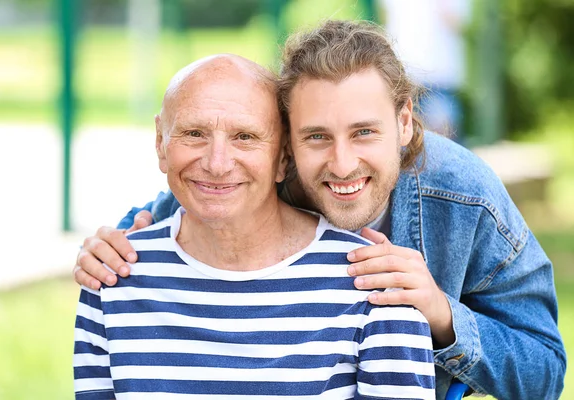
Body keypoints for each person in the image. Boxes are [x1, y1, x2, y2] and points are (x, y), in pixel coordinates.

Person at [74, 20, 566, 399]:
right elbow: (200, 192)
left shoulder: (463, 196)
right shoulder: (260, 177)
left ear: (406, 123)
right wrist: (114, 244)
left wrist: (441, 313)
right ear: (284, 146)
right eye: (316, 137)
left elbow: (544, 373)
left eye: (364, 132)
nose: (343, 163)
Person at [73, 54, 435, 399]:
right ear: (160, 143)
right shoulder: (111, 279)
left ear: (283, 158)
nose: (217, 164)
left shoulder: (376, 286)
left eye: (244, 137)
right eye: (194, 133)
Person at [380, 0, 470, 138]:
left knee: (443, 138)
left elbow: (458, 23)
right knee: (404, 140)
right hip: (402, 73)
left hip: (439, 76)